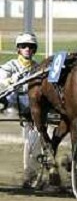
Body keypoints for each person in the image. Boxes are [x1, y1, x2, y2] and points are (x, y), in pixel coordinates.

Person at [0, 33, 42, 188]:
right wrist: (10, 80)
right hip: (12, 102)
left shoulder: (38, 67)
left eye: (31, 47)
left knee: (34, 136)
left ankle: (31, 171)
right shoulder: (11, 65)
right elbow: (1, 78)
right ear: (18, 49)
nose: (27, 49)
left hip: (30, 105)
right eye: (24, 46)